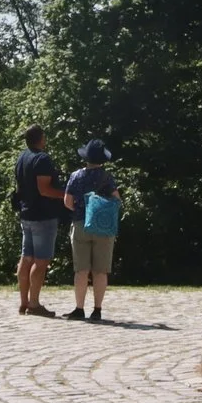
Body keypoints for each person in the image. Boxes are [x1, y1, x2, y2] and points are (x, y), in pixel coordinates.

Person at [61, 138, 121, 323]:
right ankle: (97, 310)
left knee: (81, 270)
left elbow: (67, 202)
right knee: (100, 271)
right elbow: (117, 201)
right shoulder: (107, 177)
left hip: (80, 224)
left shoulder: (75, 176)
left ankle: (79, 309)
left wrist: (81, 212)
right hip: (103, 227)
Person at [13, 124, 66, 316]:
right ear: (41, 138)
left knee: (26, 258)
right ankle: (34, 304)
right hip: (43, 215)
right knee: (41, 261)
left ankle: (23, 302)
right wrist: (66, 195)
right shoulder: (42, 159)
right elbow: (44, 189)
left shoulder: (22, 157)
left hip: (26, 213)